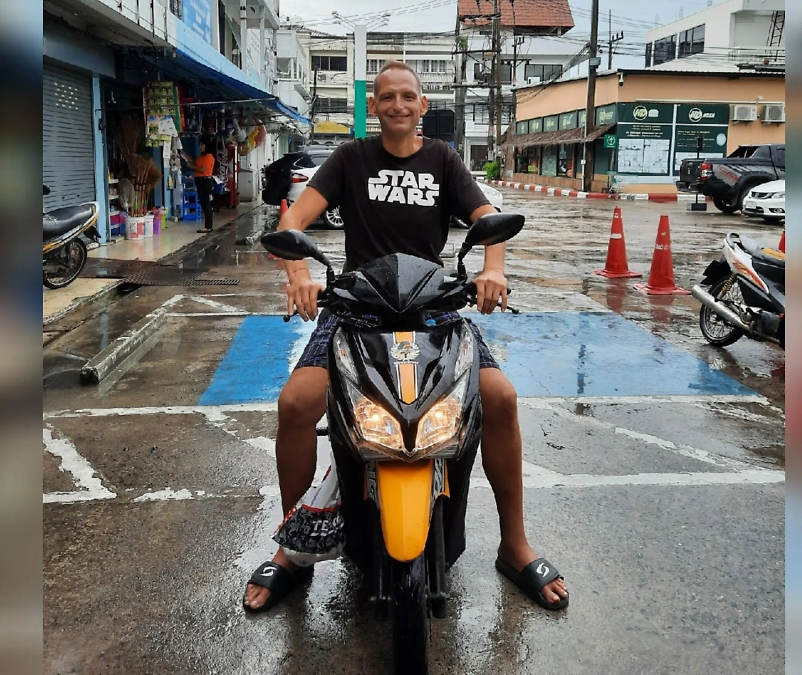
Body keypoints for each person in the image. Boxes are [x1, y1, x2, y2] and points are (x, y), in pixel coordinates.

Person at [242, 61, 569, 613]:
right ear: (375, 108)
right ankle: (292, 552)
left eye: (408, 96)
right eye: (387, 97)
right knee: (296, 403)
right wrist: (300, 276)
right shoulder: (350, 158)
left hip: (434, 308)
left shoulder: (442, 158)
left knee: (502, 399)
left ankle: (514, 545)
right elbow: (293, 222)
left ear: (422, 106)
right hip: (355, 308)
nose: (397, 104)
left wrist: (494, 270)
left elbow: (488, 216)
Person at [180, 138, 218, 232]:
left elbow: (203, 169)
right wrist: (188, 159)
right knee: (203, 202)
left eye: (202, 145)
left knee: (206, 204)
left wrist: (191, 166)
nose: (200, 146)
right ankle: (207, 226)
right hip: (199, 181)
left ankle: (208, 226)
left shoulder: (209, 156)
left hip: (205, 181)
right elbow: (197, 165)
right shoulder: (201, 156)